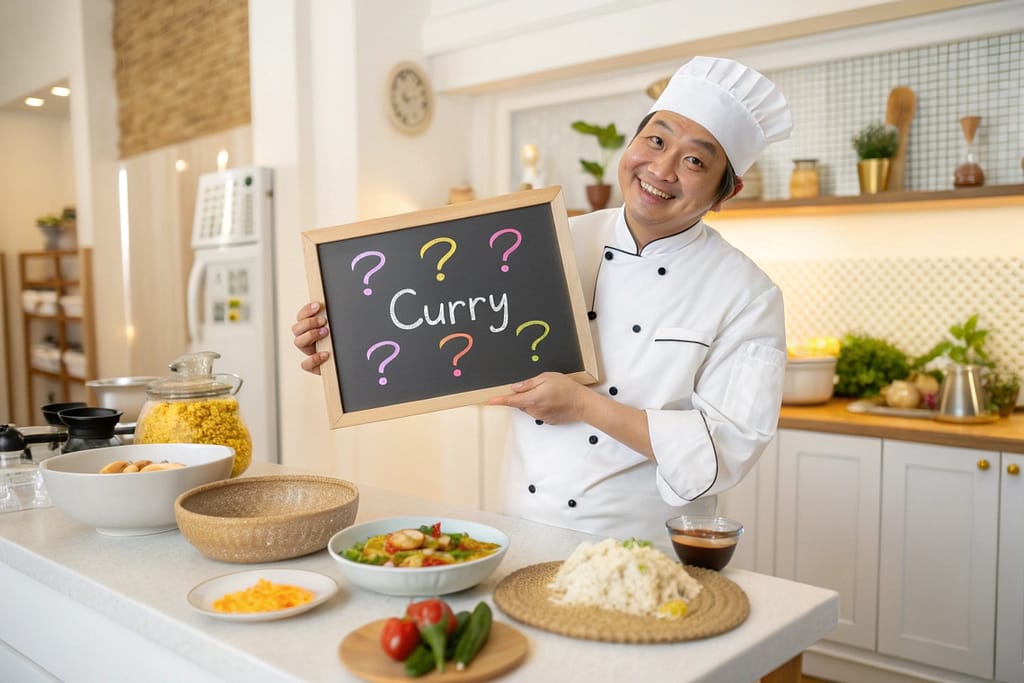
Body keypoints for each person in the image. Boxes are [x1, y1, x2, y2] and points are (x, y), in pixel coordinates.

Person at [293, 56, 792, 541]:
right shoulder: (545, 238)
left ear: (728, 191)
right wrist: (349, 342)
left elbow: (725, 448)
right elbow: (442, 324)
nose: (661, 169)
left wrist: (582, 404)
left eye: (694, 161)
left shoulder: (746, 294)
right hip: (520, 524)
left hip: (639, 548)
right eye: (655, 140)